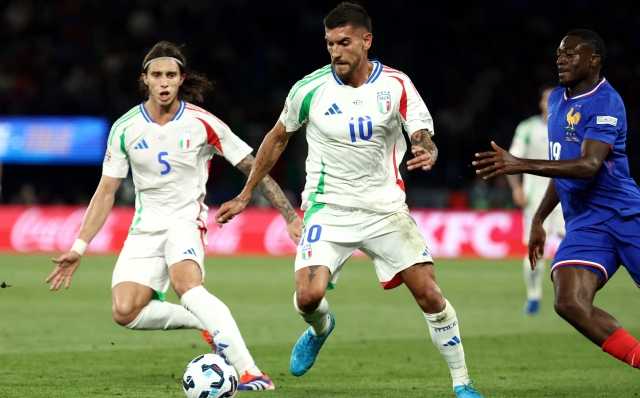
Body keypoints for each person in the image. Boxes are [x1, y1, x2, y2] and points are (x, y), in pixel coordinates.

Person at [214, 3, 483, 397]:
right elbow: (277, 138)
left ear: (366, 40)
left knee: (429, 294)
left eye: (344, 42)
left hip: (385, 209)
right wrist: (245, 193)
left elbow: (422, 133)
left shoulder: (396, 85)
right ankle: (321, 327)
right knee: (308, 297)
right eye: (329, 44)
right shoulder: (309, 89)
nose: (336, 51)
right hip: (329, 207)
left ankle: (462, 383)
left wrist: (428, 151)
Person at [45, 41, 304, 390]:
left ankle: (249, 370)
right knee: (125, 312)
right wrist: (79, 246)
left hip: (185, 222)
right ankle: (207, 324)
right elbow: (105, 192)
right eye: (157, 75)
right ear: (145, 80)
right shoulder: (125, 128)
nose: (164, 82)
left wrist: (287, 214)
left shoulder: (203, 123)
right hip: (145, 228)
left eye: (170, 75)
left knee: (188, 288)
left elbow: (253, 165)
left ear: (181, 79)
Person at [474, 29, 640, 370]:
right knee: (569, 302)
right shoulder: (556, 101)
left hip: (624, 215)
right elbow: (562, 164)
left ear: (593, 60)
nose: (560, 60)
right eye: (559, 54)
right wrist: (538, 218)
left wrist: (521, 165)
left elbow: (589, 165)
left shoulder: (606, 102)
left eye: (570, 54)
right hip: (586, 224)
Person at [506, 84, 565, 316]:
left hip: (565, 196)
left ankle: (570, 292)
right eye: (546, 100)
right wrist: (516, 187)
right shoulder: (528, 128)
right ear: (540, 103)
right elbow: (513, 159)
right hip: (536, 198)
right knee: (536, 249)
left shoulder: (570, 127)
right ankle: (533, 296)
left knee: (572, 243)